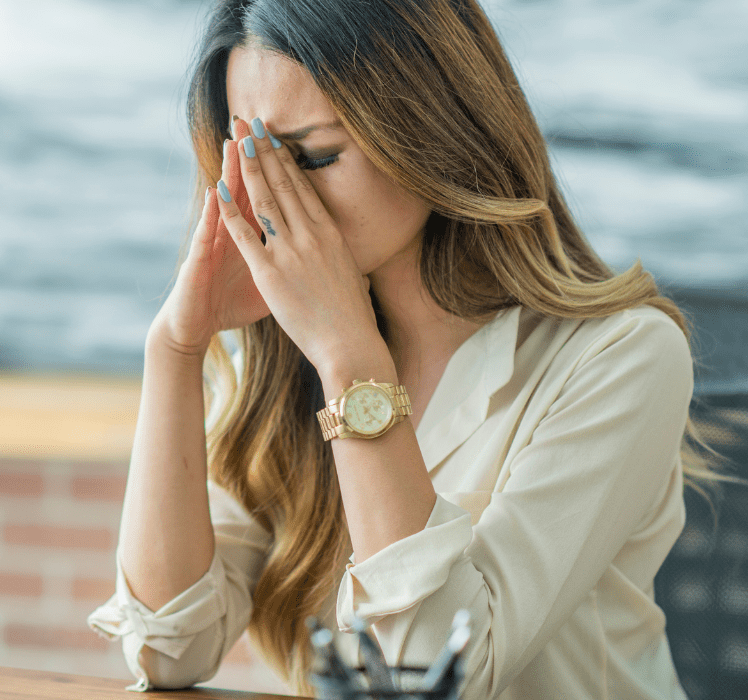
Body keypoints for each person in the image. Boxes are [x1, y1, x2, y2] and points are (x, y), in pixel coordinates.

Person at [87, 0, 716, 697]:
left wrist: (347, 356)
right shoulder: (275, 353)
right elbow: (168, 649)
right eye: (253, 161)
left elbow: (432, 678)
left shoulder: (623, 358)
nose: (275, 199)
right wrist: (176, 348)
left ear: (431, 129)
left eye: (314, 156)